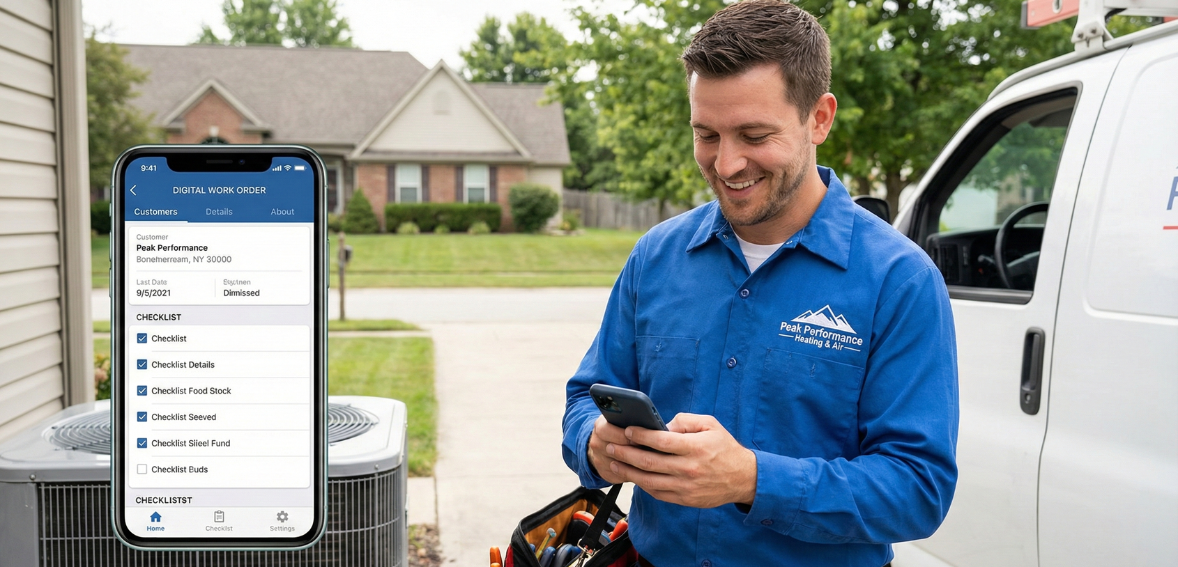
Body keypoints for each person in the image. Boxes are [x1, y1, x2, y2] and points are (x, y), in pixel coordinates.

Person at [561, 1, 959, 565]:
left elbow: (918, 490)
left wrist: (752, 479)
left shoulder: (900, 280)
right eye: (706, 134)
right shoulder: (656, 256)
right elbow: (586, 397)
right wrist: (594, 444)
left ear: (819, 118)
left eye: (753, 134)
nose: (726, 164)